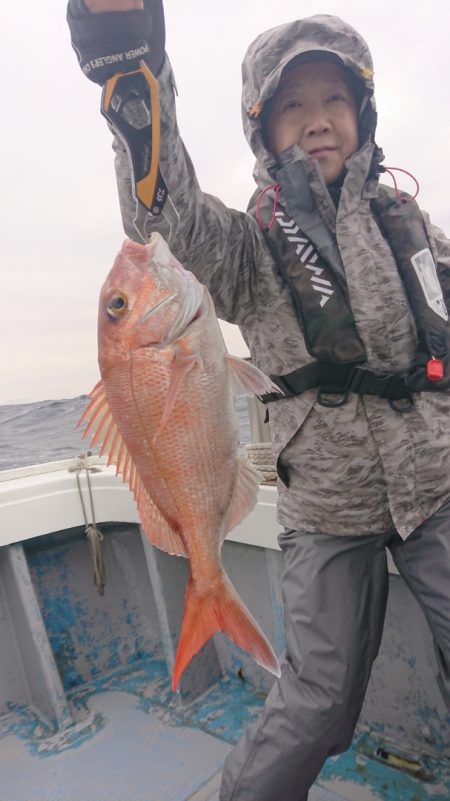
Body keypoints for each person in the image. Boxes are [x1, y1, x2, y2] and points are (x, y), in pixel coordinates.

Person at [67, 3, 450, 799]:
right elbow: (160, 214)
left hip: (439, 487)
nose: (317, 120)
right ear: (262, 128)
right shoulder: (245, 248)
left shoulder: (412, 226)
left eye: (334, 100)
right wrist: (133, 80)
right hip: (326, 506)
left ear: (363, 113)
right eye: (292, 105)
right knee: (315, 703)